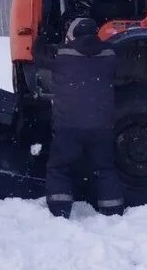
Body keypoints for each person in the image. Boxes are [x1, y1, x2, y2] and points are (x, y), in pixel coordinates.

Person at [45, 18, 125, 218]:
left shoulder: (61, 55)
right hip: (101, 128)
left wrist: (40, 41)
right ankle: (113, 211)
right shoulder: (109, 55)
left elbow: (38, 56)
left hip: (68, 127)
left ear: (72, 33)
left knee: (59, 168)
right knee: (105, 169)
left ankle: (60, 212)